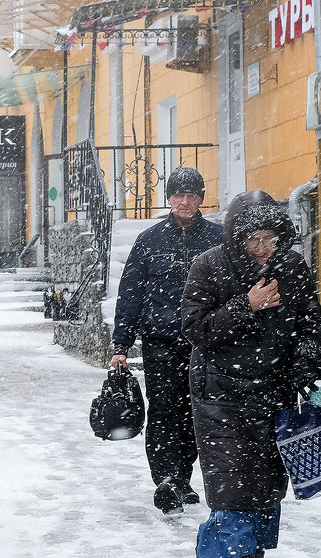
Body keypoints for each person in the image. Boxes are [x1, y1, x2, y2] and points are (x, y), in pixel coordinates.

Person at [181, 190, 321, 558]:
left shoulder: (292, 267)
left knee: (265, 480)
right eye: (254, 239)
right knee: (229, 480)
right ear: (236, 238)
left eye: (272, 239)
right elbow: (195, 329)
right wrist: (246, 305)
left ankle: (254, 554)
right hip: (220, 392)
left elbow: (311, 325)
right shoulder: (209, 266)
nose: (264, 248)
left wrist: (304, 365)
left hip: (275, 390)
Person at [110, 167, 223, 515]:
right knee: (163, 413)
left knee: (196, 414)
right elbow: (130, 293)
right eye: (178, 195)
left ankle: (182, 477)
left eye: (191, 195)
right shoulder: (150, 240)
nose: (184, 202)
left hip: (205, 344)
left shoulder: (218, 240)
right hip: (161, 342)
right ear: (169, 198)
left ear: (201, 198)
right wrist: (120, 345)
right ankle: (166, 480)